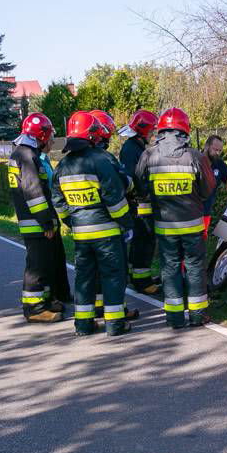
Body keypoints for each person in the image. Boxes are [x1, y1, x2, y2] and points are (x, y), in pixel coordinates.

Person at [52, 111, 133, 337]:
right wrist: (127, 224)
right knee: (113, 275)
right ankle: (115, 325)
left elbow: (58, 201)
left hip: (80, 234)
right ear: (92, 134)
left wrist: (73, 221)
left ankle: (84, 325)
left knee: (84, 279)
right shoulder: (101, 161)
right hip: (107, 232)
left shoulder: (62, 166)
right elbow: (114, 199)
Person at [136, 107, 215, 328]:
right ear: (185, 129)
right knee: (195, 267)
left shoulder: (148, 155)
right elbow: (208, 189)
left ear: (161, 130)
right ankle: (198, 315)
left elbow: (140, 187)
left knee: (169, 269)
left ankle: (174, 318)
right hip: (192, 225)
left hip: (164, 227)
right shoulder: (195, 156)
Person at [9, 112, 64, 323]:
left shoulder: (21, 153)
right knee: (37, 266)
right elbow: (34, 193)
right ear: (41, 136)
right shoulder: (28, 156)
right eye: (49, 136)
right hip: (37, 222)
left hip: (31, 220)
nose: (51, 141)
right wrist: (46, 221)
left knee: (45, 263)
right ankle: (34, 308)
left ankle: (46, 301)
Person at [87, 109, 139, 321]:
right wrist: (126, 223)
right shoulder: (104, 159)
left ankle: (99, 307)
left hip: (86, 226)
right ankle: (118, 313)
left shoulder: (78, 159)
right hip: (109, 224)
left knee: (94, 271)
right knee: (115, 271)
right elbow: (120, 187)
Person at [119, 109, 160, 294]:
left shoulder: (135, 147)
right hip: (140, 205)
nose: (152, 135)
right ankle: (142, 282)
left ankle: (141, 277)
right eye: (151, 131)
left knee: (144, 241)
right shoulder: (131, 149)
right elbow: (134, 177)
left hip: (142, 203)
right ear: (143, 131)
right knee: (143, 241)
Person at [39, 142, 73, 305]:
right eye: (50, 139)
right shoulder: (37, 160)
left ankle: (62, 294)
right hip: (47, 216)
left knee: (59, 256)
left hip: (54, 212)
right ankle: (51, 296)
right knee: (49, 259)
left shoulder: (44, 159)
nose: (52, 143)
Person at [202, 135, 227, 237]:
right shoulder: (195, 160)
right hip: (191, 212)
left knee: (200, 243)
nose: (217, 153)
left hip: (206, 212)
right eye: (215, 149)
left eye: (220, 151)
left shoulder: (219, 164)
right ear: (207, 146)